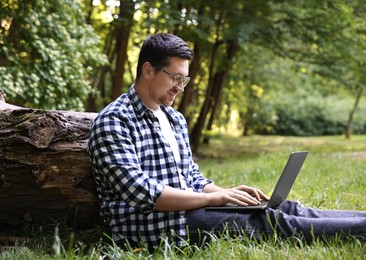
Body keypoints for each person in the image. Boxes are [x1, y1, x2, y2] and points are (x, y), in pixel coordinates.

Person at [88, 33, 366, 250]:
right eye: (175, 78)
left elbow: (192, 178)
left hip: (189, 210)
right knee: (269, 221)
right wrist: (215, 198)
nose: (179, 88)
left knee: (283, 208)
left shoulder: (174, 119)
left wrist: (227, 193)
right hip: (155, 226)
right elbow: (141, 192)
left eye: (184, 81)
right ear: (148, 70)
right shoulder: (114, 120)